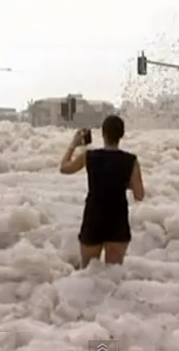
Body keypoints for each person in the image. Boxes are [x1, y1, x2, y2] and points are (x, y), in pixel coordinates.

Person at [59, 115, 145, 268]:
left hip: (94, 219)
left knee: (87, 276)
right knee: (113, 277)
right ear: (122, 135)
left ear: (103, 133)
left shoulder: (90, 156)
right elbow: (139, 195)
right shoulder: (131, 160)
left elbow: (64, 168)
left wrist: (73, 144)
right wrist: (121, 182)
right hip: (118, 221)